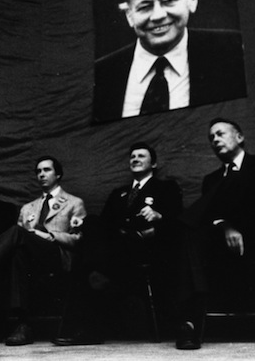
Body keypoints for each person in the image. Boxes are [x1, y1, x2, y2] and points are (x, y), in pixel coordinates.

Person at [54, 142, 182, 345]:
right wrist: (82, 223)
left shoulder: (166, 188)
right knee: (91, 224)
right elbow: (105, 225)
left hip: (144, 247)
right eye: (132, 156)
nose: (135, 159)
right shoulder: (118, 193)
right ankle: (88, 326)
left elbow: (177, 222)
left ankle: (89, 327)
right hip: (115, 249)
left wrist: (159, 216)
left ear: (154, 163)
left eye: (141, 156)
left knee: (88, 260)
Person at [92, 0, 247, 123]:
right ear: (129, 15)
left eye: (169, 1)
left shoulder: (234, 52)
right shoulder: (100, 76)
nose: (158, 15)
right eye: (145, 7)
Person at [174, 117, 255, 350]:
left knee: (193, 223)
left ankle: (190, 319)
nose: (215, 140)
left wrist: (233, 223)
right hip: (221, 241)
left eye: (220, 134)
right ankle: (191, 322)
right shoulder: (211, 179)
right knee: (191, 233)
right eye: (211, 137)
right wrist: (226, 226)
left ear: (240, 137)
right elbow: (210, 217)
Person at [0, 156, 87, 346]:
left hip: (57, 255)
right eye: (38, 171)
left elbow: (79, 239)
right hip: (31, 260)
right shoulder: (28, 208)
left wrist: (51, 236)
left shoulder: (74, 203)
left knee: (16, 232)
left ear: (58, 174)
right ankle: (23, 325)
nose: (41, 174)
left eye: (46, 170)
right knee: (17, 254)